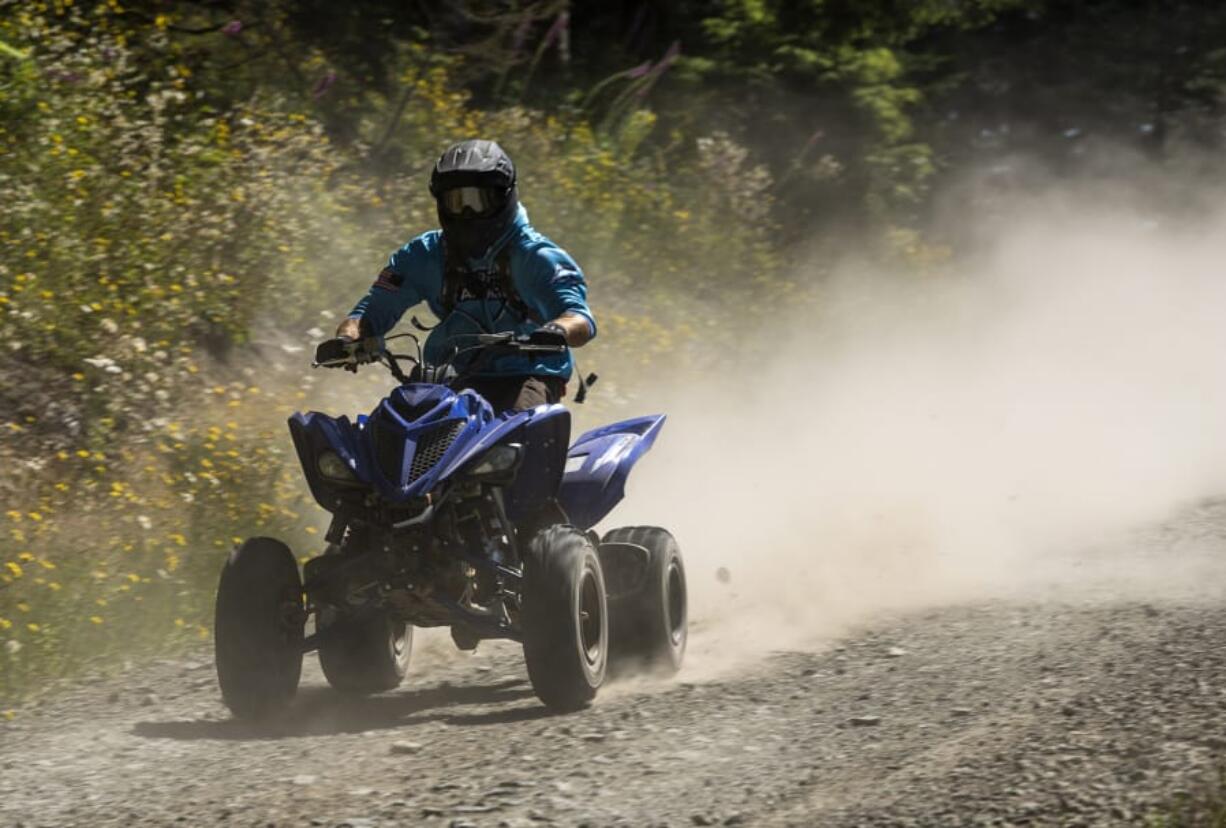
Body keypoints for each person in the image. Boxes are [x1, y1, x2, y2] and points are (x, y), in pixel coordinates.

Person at [315, 139, 596, 412]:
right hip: (449, 374)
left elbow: (578, 318)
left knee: (518, 428)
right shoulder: (423, 254)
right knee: (397, 424)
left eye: (477, 200)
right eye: (456, 201)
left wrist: (557, 331)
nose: (466, 212)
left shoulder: (535, 256)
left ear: (505, 196)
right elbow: (370, 313)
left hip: (528, 373)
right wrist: (348, 340)